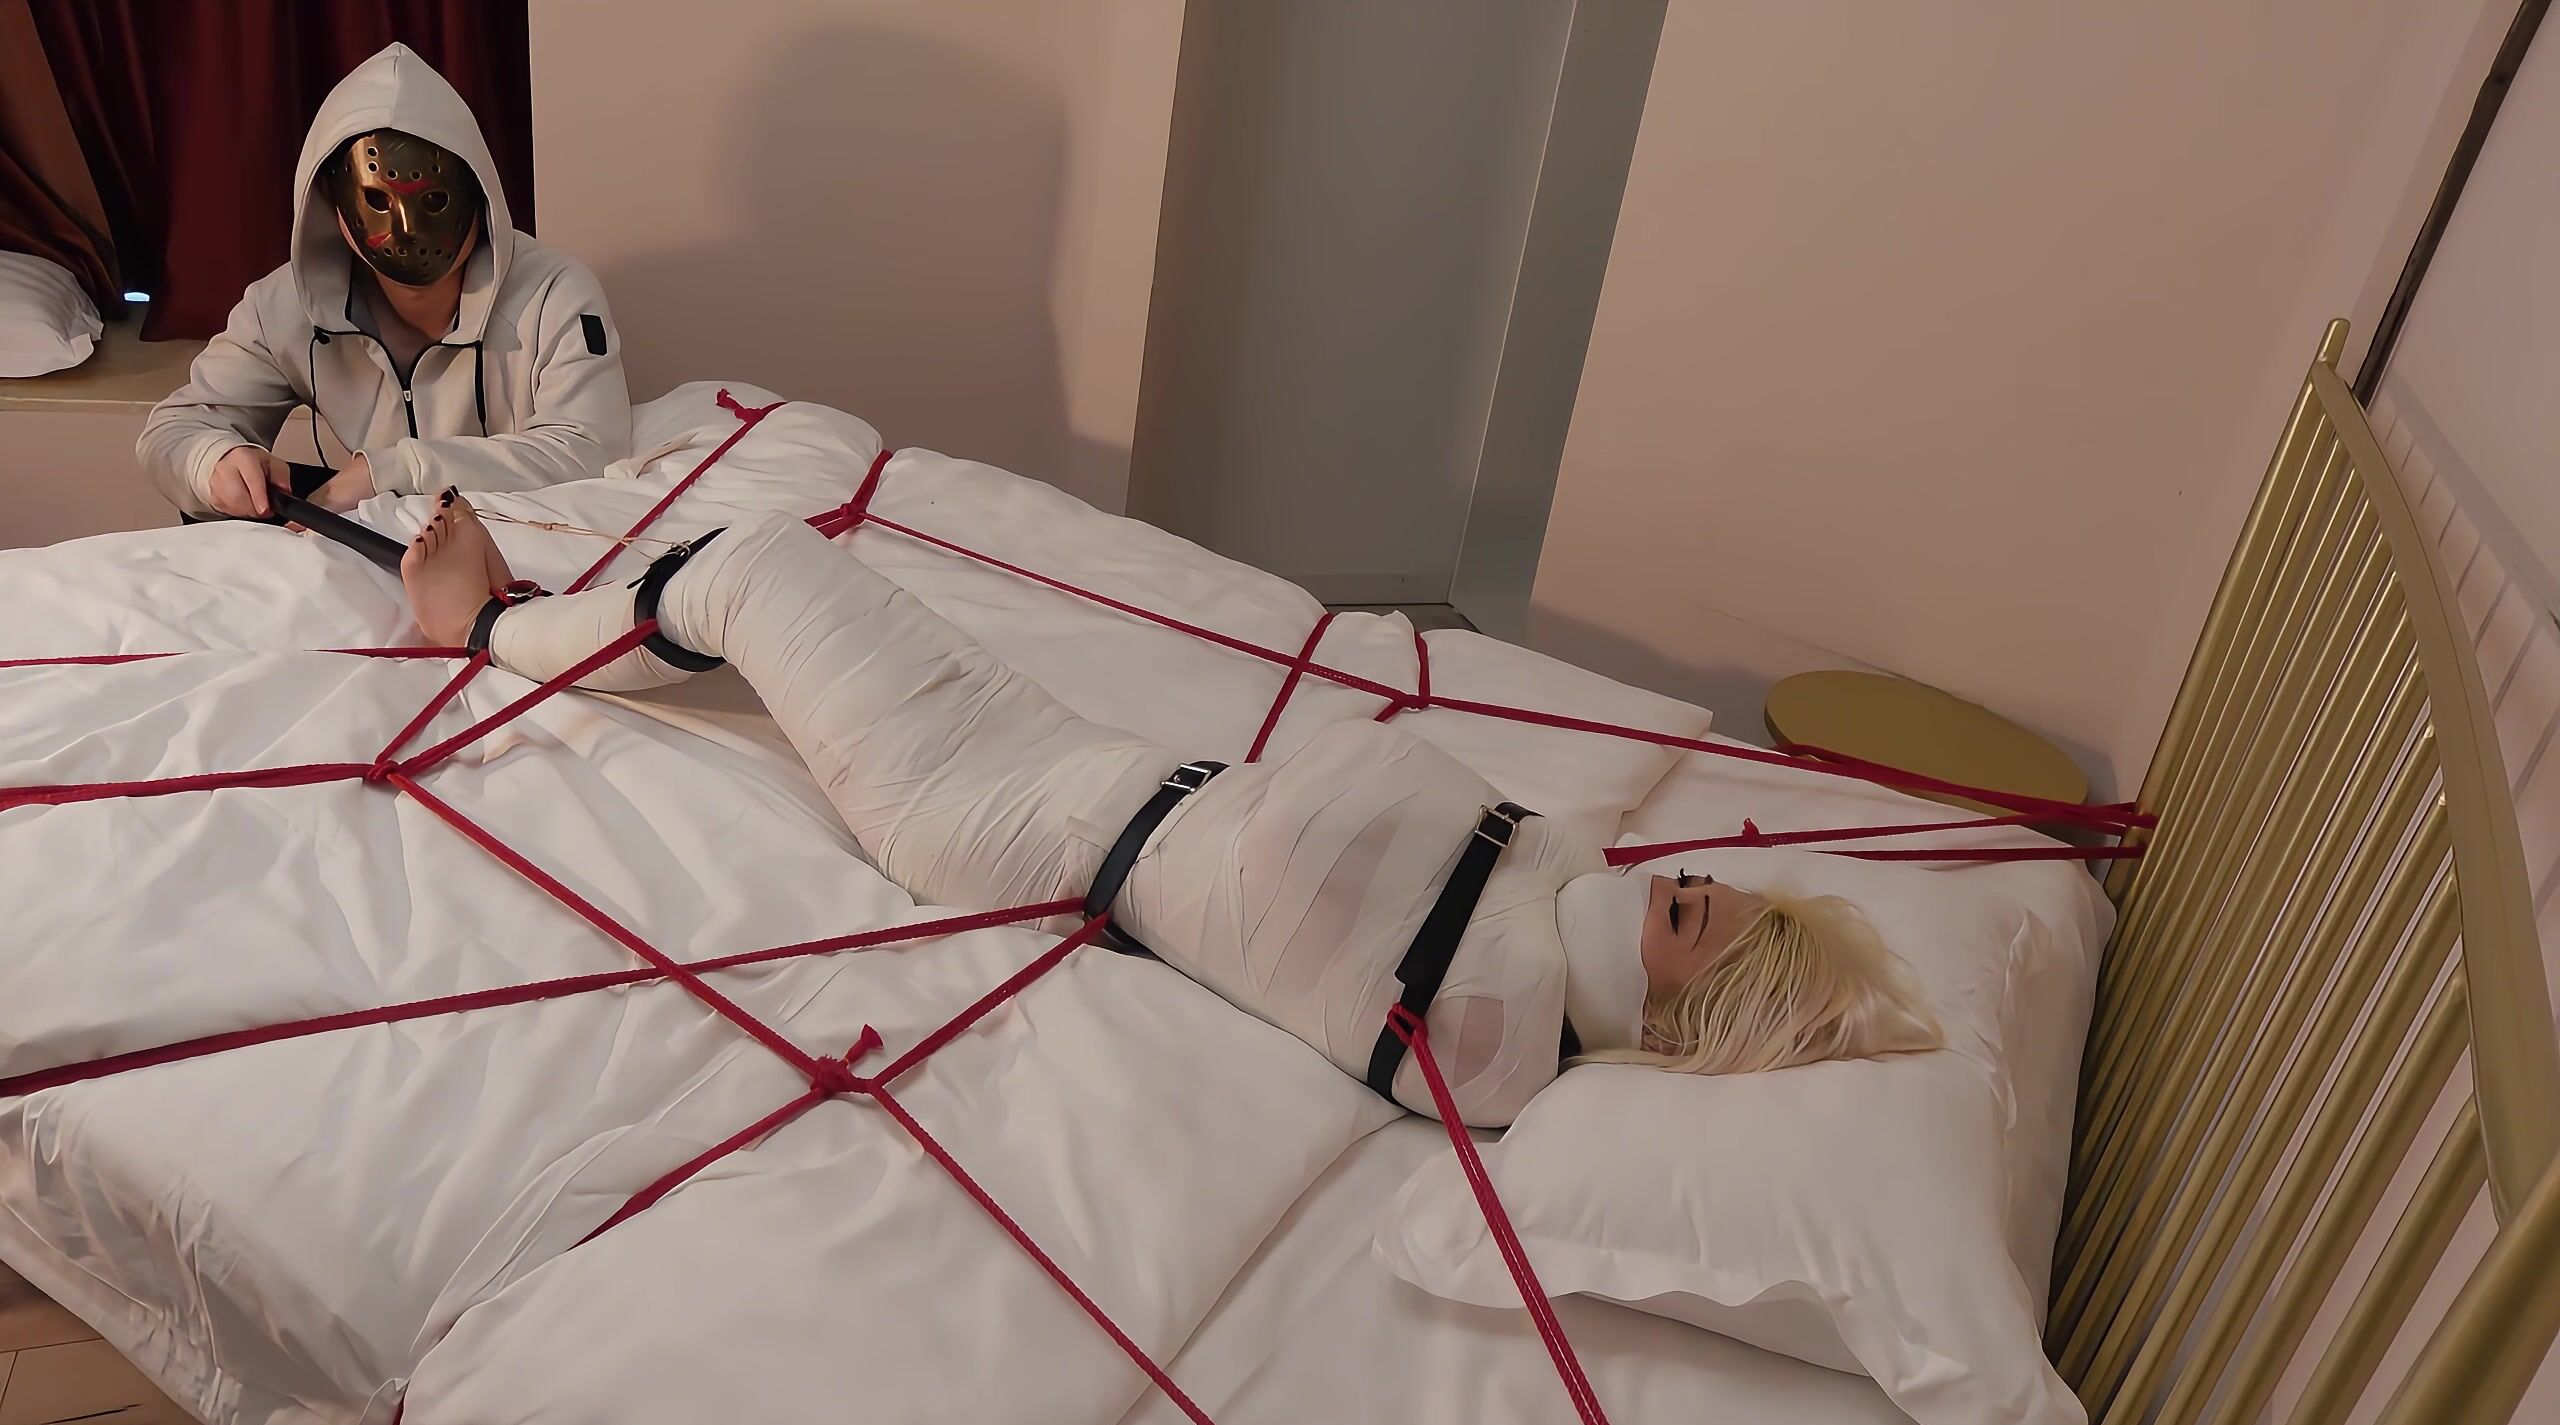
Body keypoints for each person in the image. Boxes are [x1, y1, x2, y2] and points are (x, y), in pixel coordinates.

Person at [399, 498, 1942, 1125]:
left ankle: (482, 626)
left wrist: (1557, 886)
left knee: (753, 565)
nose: (1696, 889)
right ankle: (572, 608)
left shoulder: (1498, 1039)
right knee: (776, 578)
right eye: (1712, 895)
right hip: (1087, 762)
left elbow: (1336, 803)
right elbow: (1464, 822)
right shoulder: (1541, 921)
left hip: (984, 819)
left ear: (1686, 1016)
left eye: (1709, 929)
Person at [138, 44, 629, 523]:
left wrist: (392, 471)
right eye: (377, 201)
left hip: (514, 530)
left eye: (434, 200)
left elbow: (589, 448)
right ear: (333, 203)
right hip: (378, 529)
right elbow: (176, 427)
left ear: (478, 191)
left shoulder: (554, 295)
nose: (408, 230)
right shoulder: (284, 307)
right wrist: (214, 461)